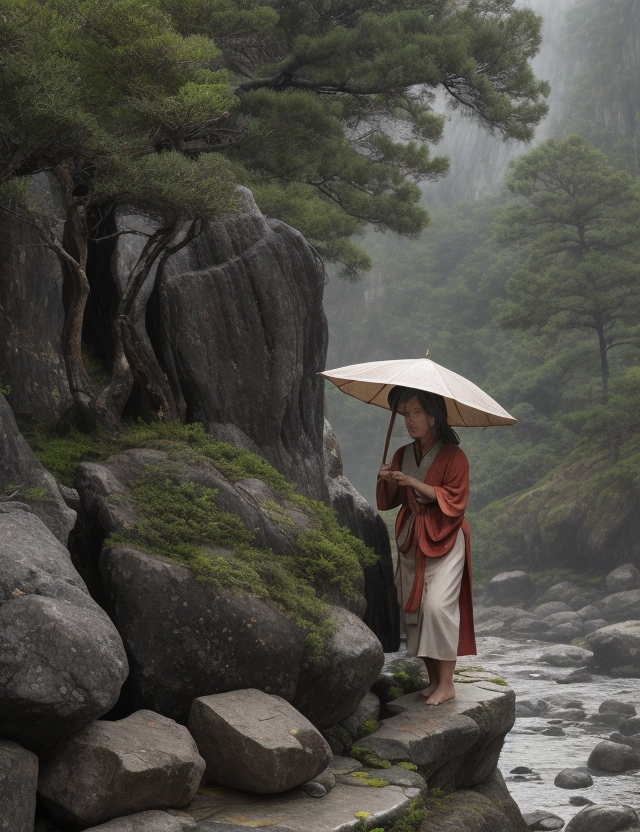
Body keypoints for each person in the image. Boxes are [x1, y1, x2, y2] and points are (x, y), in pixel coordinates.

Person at [376, 386, 476, 705]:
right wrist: (387, 479)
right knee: (416, 609)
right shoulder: (403, 454)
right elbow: (389, 500)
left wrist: (415, 483)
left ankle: (447, 683)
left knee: (437, 607)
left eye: (416, 412)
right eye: (406, 413)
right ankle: (433, 680)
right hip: (413, 536)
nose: (409, 419)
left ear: (433, 416)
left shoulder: (454, 455)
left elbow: (455, 500)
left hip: (446, 535)